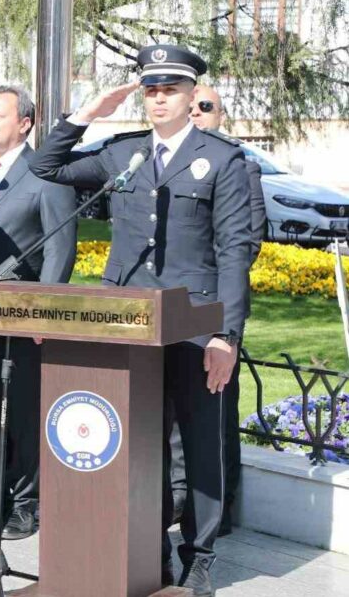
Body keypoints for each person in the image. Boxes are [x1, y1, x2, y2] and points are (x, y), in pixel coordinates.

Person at [29, 44, 252, 596]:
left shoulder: (223, 160)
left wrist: (226, 336)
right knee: (139, 442)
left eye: (169, 90)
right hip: (125, 323)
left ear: (191, 94)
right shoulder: (122, 153)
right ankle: (146, 546)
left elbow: (235, 252)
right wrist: (86, 115)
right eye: (150, 90)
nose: (158, 99)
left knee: (199, 445)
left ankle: (198, 555)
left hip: (194, 323)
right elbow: (45, 166)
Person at [0, 85, 77, 539]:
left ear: (25, 122)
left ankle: (26, 502)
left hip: (20, 320)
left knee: (21, 415)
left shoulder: (45, 176)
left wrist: (46, 314)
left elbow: (61, 252)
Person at [174, 83, 266, 536]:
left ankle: (220, 507)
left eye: (204, 107)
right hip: (167, 309)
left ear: (221, 116)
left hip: (214, 308)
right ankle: (176, 495)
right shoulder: (168, 164)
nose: (194, 113)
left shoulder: (238, 166)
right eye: (188, 107)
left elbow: (245, 242)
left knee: (214, 412)